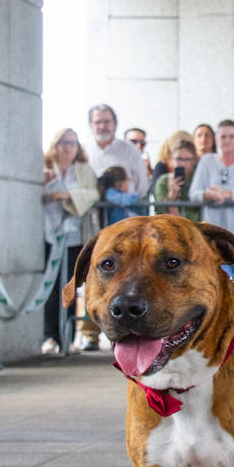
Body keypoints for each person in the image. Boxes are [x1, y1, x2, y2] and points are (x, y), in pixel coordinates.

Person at [79, 104, 150, 350]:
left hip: (125, 233)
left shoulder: (128, 150)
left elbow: (141, 187)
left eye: (107, 121)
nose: (102, 126)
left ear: (115, 124)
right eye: (98, 122)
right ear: (91, 125)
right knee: (95, 281)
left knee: (128, 282)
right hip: (93, 230)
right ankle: (90, 334)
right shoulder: (84, 151)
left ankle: (126, 333)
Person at [41, 128, 99, 353]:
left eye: (73, 143)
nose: (67, 147)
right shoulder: (45, 168)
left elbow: (92, 195)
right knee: (49, 289)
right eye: (63, 142)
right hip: (47, 235)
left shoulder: (83, 170)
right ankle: (49, 336)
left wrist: (64, 196)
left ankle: (67, 337)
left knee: (69, 288)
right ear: (55, 144)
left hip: (73, 238)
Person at [189, 119, 234, 295]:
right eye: (223, 136)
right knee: (217, 276)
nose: (227, 140)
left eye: (231, 136)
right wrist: (208, 194)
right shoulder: (206, 161)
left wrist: (227, 194)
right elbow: (194, 193)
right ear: (216, 139)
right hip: (214, 233)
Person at [153, 140, 200, 221]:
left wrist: (180, 216)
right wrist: (171, 195)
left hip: (193, 228)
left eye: (187, 159)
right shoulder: (163, 181)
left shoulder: (198, 180)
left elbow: (201, 213)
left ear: (194, 160)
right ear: (171, 160)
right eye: (179, 159)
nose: (182, 163)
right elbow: (158, 210)